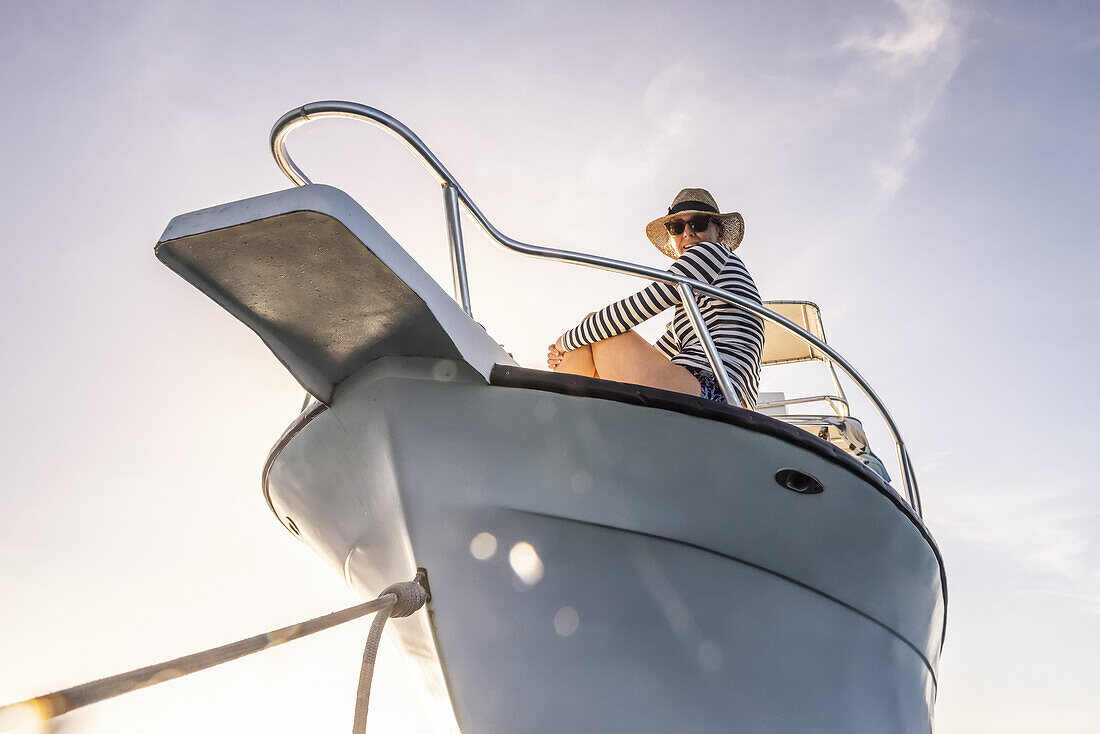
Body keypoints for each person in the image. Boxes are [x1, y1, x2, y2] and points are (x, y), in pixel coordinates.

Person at [547, 188, 764, 408]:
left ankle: (553, 413)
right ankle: (564, 413)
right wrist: (582, 349)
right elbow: (658, 351)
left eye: (698, 223)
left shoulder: (711, 253)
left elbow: (634, 310)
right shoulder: (698, 302)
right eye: (676, 227)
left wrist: (563, 344)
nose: (687, 233)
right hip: (727, 399)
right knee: (592, 345)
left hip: (711, 389)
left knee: (594, 326)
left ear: (717, 232)